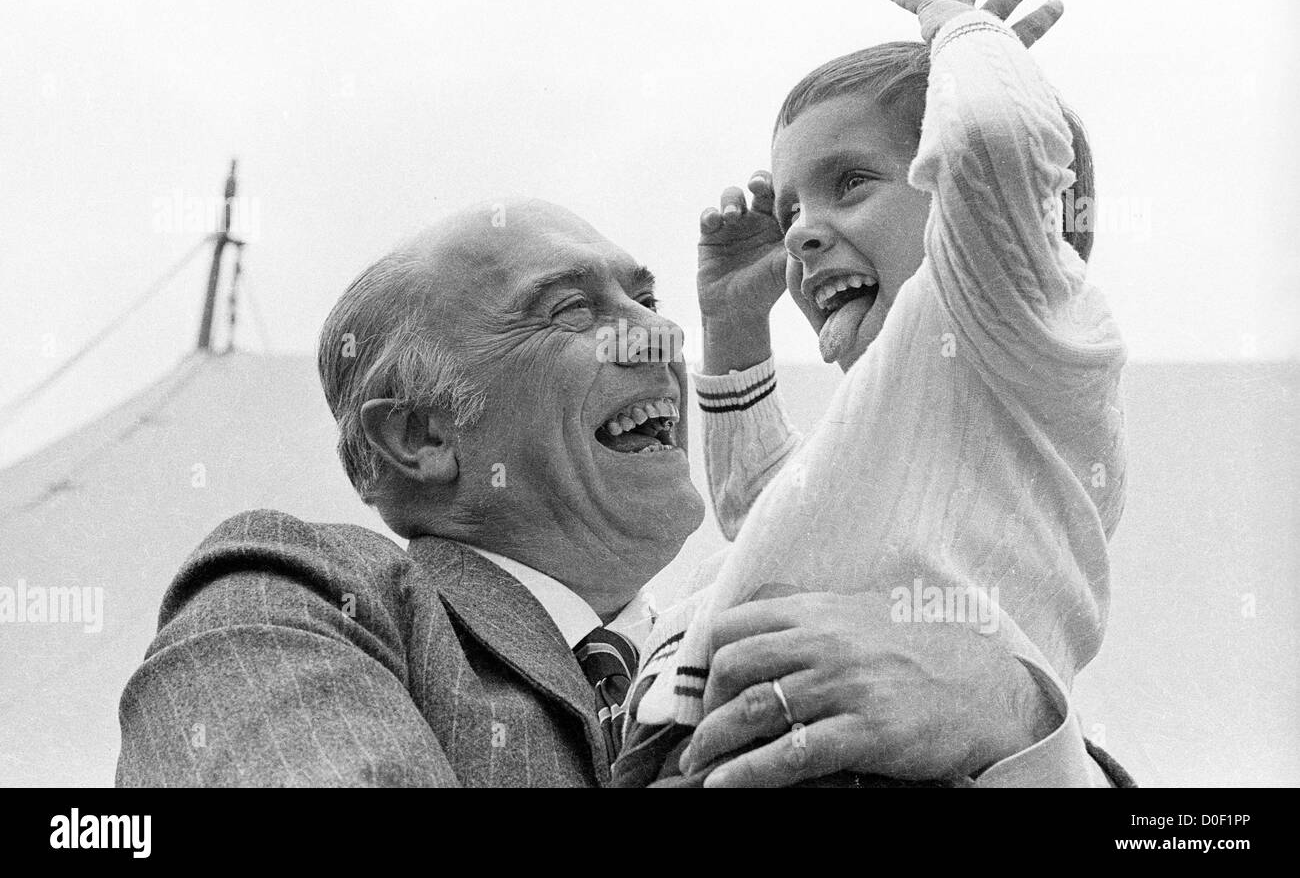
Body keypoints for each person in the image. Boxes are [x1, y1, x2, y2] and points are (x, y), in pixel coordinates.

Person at [115, 197, 1126, 786]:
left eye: (644, 298)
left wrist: (1015, 717)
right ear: (420, 435)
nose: (662, 337)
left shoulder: (792, 610)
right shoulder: (291, 598)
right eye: (568, 311)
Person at [619, 0, 1127, 786]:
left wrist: (972, 41)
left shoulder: (1004, 318)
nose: (800, 235)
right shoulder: (902, 419)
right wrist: (735, 325)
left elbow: (994, 141)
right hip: (761, 739)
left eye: (849, 183)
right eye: (790, 210)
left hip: (880, 758)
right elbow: (759, 509)